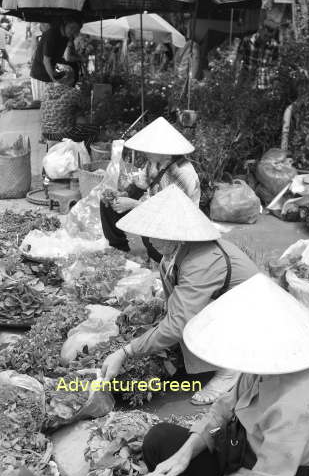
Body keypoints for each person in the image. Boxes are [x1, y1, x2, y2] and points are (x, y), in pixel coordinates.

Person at [125, 273, 309, 476]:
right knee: (160, 440)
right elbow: (221, 411)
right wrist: (184, 455)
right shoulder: (260, 368)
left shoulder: (297, 404)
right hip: (244, 466)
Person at [101, 184, 259, 405]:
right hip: (225, 306)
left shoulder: (202, 260)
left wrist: (125, 352)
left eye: (155, 235)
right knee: (179, 319)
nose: (149, 240)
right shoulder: (174, 253)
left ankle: (231, 369)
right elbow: (174, 300)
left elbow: (177, 323)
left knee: (183, 323)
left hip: (253, 316)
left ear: (176, 234)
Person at [99, 117, 200, 262]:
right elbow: (140, 185)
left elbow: (176, 214)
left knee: (147, 218)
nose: (144, 151)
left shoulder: (183, 173)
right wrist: (122, 195)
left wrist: (134, 204)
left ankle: (161, 259)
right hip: (156, 211)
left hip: (177, 226)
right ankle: (119, 248)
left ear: (165, 150)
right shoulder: (154, 163)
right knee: (107, 203)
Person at [40, 64, 99, 150]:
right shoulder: (73, 93)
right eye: (72, 78)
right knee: (95, 130)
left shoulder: (46, 91)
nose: (74, 80)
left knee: (74, 113)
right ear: (67, 79)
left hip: (46, 133)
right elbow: (86, 107)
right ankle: (83, 152)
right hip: (64, 133)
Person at [30, 17, 81, 102]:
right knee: (44, 106)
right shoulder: (52, 35)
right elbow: (46, 61)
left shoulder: (65, 37)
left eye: (75, 30)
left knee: (52, 107)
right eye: (71, 28)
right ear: (65, 24)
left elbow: (61, 57)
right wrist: (54, 80)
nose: (72, 31)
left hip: (49, 74)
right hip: (40, 76)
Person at [237, 13, 280, 90]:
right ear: (261, 29)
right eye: (266, 36)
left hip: (264, 85)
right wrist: (236, 79)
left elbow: (275, 63)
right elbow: (238, 60)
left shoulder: (274, 45)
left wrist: (274, 78)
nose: (267, 39)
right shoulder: (247, 41)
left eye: (270, 37)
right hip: (247, 83)